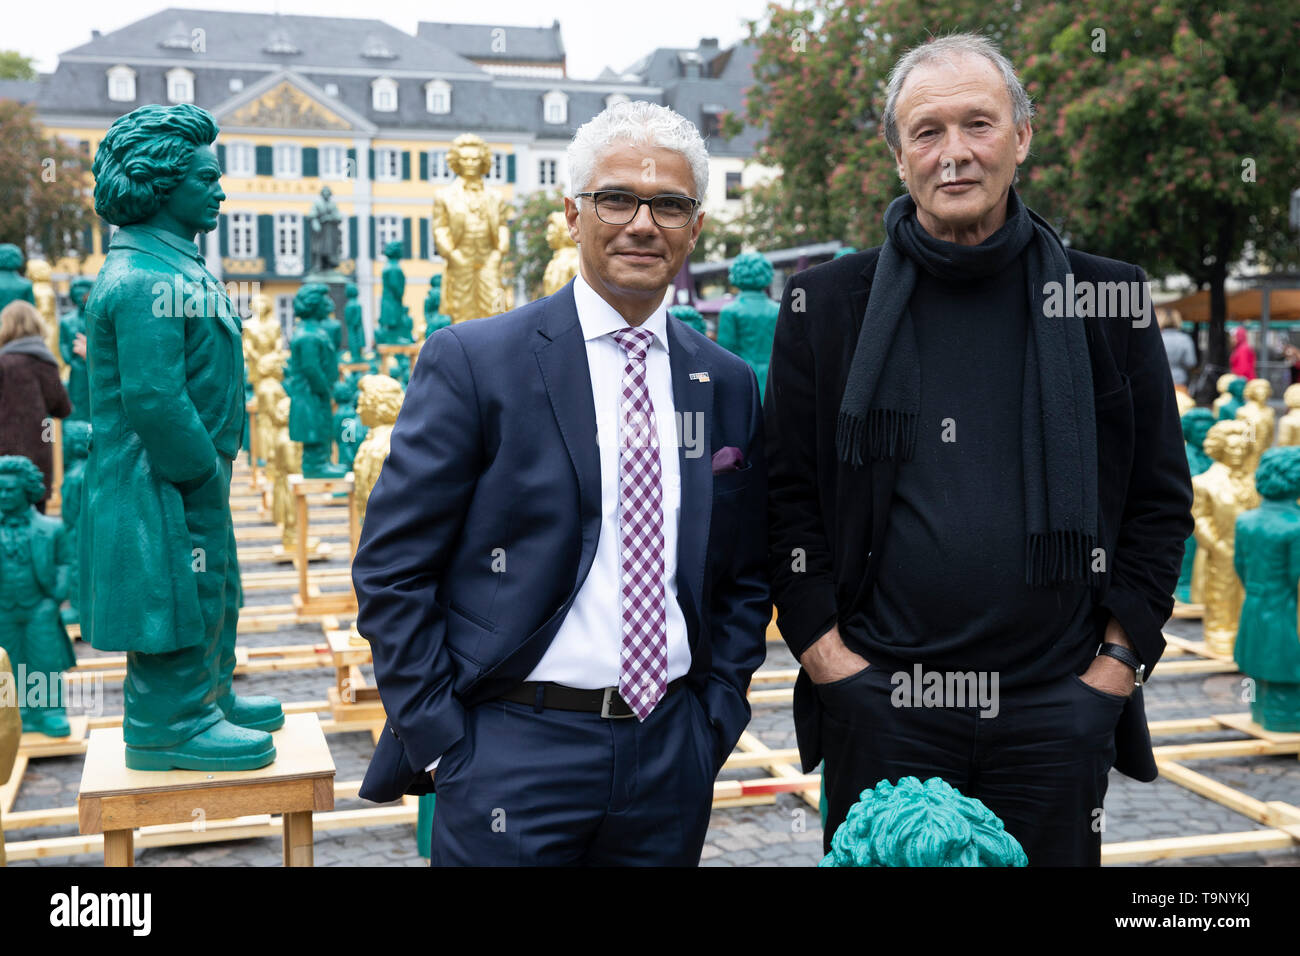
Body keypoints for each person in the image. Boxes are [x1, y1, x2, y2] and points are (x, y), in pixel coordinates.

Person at [764, 34, 1192, 866]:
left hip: (1053, 708)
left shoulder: (1108, 299)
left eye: (979, 125)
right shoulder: (827, 304)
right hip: (885, 707)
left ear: (1022, 137)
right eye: (927, 132)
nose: (954, 154)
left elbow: (1158, 502)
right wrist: (833, 668)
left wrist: (1111, 673)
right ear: (896, 153)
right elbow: (787, 500)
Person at [354, 100, 769, 865]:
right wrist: (447, 743)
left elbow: (743, 575)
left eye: (669, 205)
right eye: (617, 198)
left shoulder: (726, 382)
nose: (642, 224)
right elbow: (392, 567)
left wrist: (716, 718)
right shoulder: (477, 362)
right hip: (512, 752)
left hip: (670, 750)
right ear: (573, 212)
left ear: (696, 227)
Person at [81, 103, 282, 771]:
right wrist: (199, 469)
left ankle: (210, 695)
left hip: (189, 471)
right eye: (206, 178)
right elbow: (154, 399)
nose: (220, 189)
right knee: (174, 593)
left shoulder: (174, 266)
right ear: (162, 190)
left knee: (210, 585)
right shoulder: (143, 279)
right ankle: (169, 721)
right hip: (160, 479)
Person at [0, 301, 71, 511]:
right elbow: (61, 408)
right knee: (35, 512)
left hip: (4, 454)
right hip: (39, 449)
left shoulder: (3, 363)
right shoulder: (46, 363)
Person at [1158, 306, 1196, 397]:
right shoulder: (1185, 339)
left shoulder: (1156, 339)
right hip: (1180, 381)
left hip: (1159, 381)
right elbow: (1191, 362)